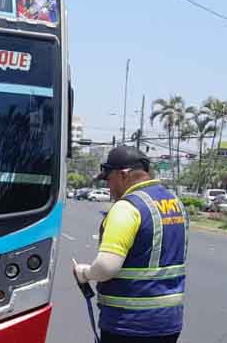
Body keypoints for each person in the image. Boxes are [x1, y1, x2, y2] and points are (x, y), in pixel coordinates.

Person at [74, 146, 187, 343]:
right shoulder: (176, 203)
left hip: (129, 325)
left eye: (109, 179)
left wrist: (84, 273)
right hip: (169, 322)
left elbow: (106, 267)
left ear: (124, 175)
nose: (109, 188)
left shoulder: (127, 208)